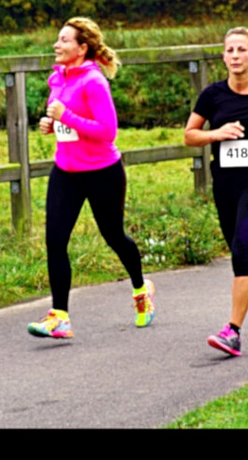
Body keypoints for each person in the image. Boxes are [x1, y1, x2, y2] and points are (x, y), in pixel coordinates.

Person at [29, 18, 152, 340]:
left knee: (114, 236)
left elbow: (107, 132)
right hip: (66, 172)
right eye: (57, 39)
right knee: (55, 241)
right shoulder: (57, 78)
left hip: (102, 173)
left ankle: (141, 289)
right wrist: (51, 126)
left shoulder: (94, 82)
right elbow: (66, 124)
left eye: (64, 40)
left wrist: (64, 117)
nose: (57, 45)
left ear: (82, 48)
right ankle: (60, 317)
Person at [184, 27, 248, 356]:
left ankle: (232, 331)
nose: (234, 56)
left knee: (242, 249)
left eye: (241, 50)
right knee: (243, 253)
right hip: (226, 185)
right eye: (229, 50)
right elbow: (190, 135)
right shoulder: (213, 95)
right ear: (223, 57)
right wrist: (216, 134)